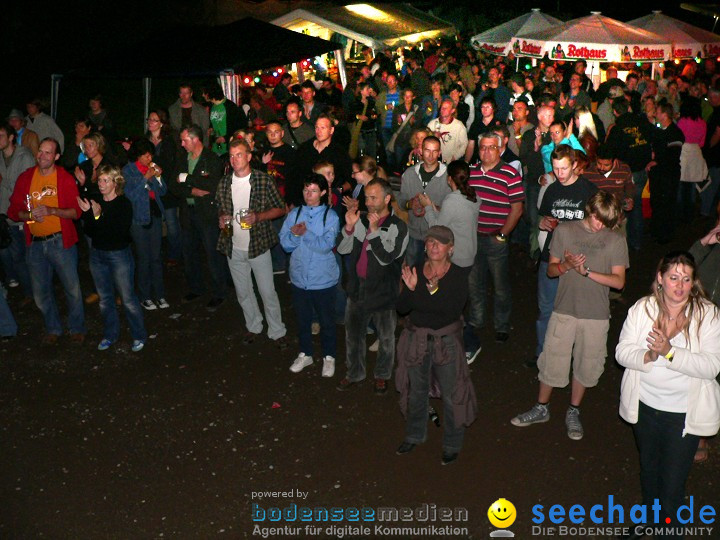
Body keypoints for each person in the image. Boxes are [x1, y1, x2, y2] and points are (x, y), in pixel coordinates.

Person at [615, 251, 720, 536]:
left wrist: (670, 352)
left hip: (682, 415)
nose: (680, 285)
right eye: (673, 277)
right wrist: (650, 353)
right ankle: (649, 522)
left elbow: (712, 366)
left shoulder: (707, 315)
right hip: (646, 407)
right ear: (660, 279)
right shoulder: (644, 309)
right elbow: (622, 352)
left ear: (693, 282)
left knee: (672, 481)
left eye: (686, 279)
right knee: (648, 470)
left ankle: (669, 529)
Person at [512, 191, 628, 440]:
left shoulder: (615, 240)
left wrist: (586, 272)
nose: (601, 227)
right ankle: (541, 407)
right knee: (552, 360)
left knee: (586, 365)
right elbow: (552, 271)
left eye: (606, 222)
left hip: (596, 314)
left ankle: (573, 411)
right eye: (598, 220)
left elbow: (619, 282)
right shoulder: (564, 231)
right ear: (590, 210)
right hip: (564, 309)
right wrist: (567, 266)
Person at [395, 225, 477, 465]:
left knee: (453, 393)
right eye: (429, 242)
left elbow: (450, 312)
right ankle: (414, 434)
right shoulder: (416, 272)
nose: (433, 246)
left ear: (450, 249)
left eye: (439, 243)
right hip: (417, 340)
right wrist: (410, 290)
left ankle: (452, 443)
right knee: (416, 391)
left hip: (447, 342)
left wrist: (434, 290)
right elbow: (402, 308)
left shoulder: (458, 276)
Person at [7, 138, 85, 344]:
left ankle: (76, 328)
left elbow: (76, 212)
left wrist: (52, 211)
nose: (42, 156)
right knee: (41, 292)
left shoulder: (64, 179)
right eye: (40, 151)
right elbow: (14, 211)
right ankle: (53, 328)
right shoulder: (26, 178)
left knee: (72, 288)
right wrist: (30, 215)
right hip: (35, 243)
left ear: (56, 157)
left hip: (60, 242)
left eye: (48, 153)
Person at [336, 178, 408, 394]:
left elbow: (387, 258)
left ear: (387, 198)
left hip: (383, 292)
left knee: (386, 338)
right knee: (353, 337)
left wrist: (375, 230)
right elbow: (343, 249)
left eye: (373, 197)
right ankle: (355, 373)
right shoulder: (362, 220)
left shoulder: (398, 226)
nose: (367, 202)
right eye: (366, 197)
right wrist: (349, 227)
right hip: (357, 289)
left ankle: (382, 375)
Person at [216, 139, 288, 348]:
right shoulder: (224, 182)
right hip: (233, 245)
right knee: (243, 292)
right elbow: (221, 208)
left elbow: (280, 208)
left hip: (257, 245)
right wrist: (222, 217)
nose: (234, 159)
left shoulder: (262, 180)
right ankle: (254, 325)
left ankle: (277, 330)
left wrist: (258, 217)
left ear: (248, 156)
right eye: (231, 155)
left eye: (239, 154)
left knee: (267, 291)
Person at [77, 165, 147, 352]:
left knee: (128, 298)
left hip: (119, 255)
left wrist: (98, 215)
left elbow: (117, 232)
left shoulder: (124, 204)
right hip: (98, 255)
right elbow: (90, 231)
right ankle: (110, 334)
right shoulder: (97, 200)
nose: (101, 184)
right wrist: (88, 214)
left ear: (116, 183)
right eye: (99, 180)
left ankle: (139, 335)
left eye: (105, 180)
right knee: (105, 299)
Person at [466, 132, 524, 351]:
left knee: (500, 286)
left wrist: (503, 235)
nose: (486, 151)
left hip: (495, 239)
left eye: (491, 147)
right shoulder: (471, 173)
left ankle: (501, 324)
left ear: (500, 149)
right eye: (482, 147)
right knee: (474, 283)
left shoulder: (510, 173)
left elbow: (517, 209)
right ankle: (476, 320)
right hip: (474, 238)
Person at [280, 173, 340, 377]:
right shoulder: (294, 214)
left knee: (326, 321)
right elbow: (285, 244)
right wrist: (294, 234)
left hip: (323, 280)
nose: (309, 194)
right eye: (306, 190)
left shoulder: (330, 216)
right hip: (299, 279)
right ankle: (305, 353)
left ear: (323, 192)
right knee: (303, 320)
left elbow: (326, 246)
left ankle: (329, 356)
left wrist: (305, 233)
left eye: (314, 190)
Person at [176, 125, 230, 311]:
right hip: (187, 212)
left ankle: (219, 292)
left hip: (206, 213)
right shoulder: (182, 158)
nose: (182, 144)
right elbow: (173, 183)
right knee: (189, 252)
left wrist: (188, 178)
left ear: (195, 139)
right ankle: (196, 288)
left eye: (185, 140)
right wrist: (192, 189)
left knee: (212, 253)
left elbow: (213, 185)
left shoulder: (211, 159)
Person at [122, 139, 169, 311]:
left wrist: (158, 176)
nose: (149, 157)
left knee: (156, 257)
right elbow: (130, 195)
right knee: (143, 258)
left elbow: (163, 191)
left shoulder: (152, 167)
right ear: (138, 155)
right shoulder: (128, 170)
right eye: (146, 155)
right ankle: (145, 296)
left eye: (151, 154)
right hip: (138, 218)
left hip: (154, 215)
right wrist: (145, 178)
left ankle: (160, 294)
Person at [419, 160, 480, 275]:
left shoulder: (452, 200)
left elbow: (436, 229)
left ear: (450, 179)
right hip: (469, 253)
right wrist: (432, 207)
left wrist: (427, 207)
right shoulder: (473, 195)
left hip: (456, 257)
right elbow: (452, 219)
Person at [397, 136, 450, 267]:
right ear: (420, 151)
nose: (431, 155)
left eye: (434, 151)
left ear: (440, 152)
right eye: (427, 150)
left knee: (434, 274)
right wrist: (411, 204)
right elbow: (401, 202)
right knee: (412, 272)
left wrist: (430, 208)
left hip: (437, 235)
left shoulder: (448, 176)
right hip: (414, 233)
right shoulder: (409, 174)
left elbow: (452, 209)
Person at [0, 123, 35, 300]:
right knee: (7, 252)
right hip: (3, 215)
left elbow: (28, 186)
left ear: (11, 137)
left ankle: (32, 293)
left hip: (21, 215)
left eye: (1, 135)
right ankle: (17, 284)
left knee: (22, 256)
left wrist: (3, 181)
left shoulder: (24, 156)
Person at [146, 109, 182, 265]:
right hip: (151, 188)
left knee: (172, 224)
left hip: (167, 189)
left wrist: (154, 164)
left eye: (154, 120)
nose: (150, 122)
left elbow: (169, 164)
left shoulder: (168, 142)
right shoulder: (145, 141)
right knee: (154, 224)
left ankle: (174, 254)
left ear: (161, 123)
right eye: (149, 119)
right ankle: (156, 254)